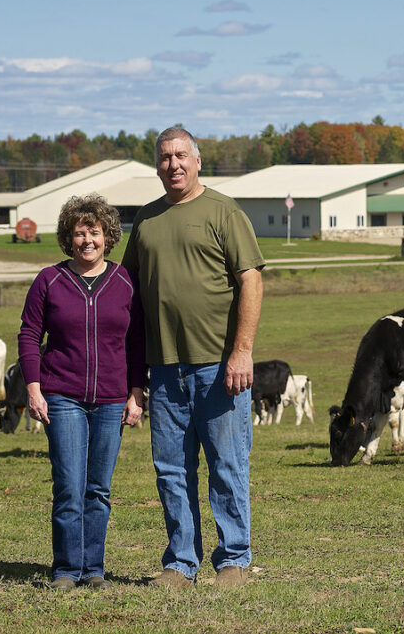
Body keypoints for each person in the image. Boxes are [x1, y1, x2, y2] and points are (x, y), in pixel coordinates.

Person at [122, 126, 264, 589]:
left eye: (181, 155)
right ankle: (181, 563)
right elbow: (129, 299)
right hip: (164, 371)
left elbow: (251, 280)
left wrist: (241, 351)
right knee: (171, 470)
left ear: (198, 161)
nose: (173, 165)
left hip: (218, 367)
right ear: (157, 166)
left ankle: (233, 561)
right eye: (165, 158)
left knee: (226, 463)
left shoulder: (223, 212)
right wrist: (134, 378)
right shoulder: (144, 221)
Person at [19, 193, 146, 591]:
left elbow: (138, 340)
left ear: (108, 236)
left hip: (111, 399)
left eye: (94, 232)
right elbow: (28, 334)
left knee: (99, 489)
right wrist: (34, 389)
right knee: (69, 486)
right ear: (67, 238)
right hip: (62, 396)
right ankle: (65, 570)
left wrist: (137, 392)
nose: (86, 240)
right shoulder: (49, 280)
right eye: (78, 233)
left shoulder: (124, 281)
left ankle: (94, 570)